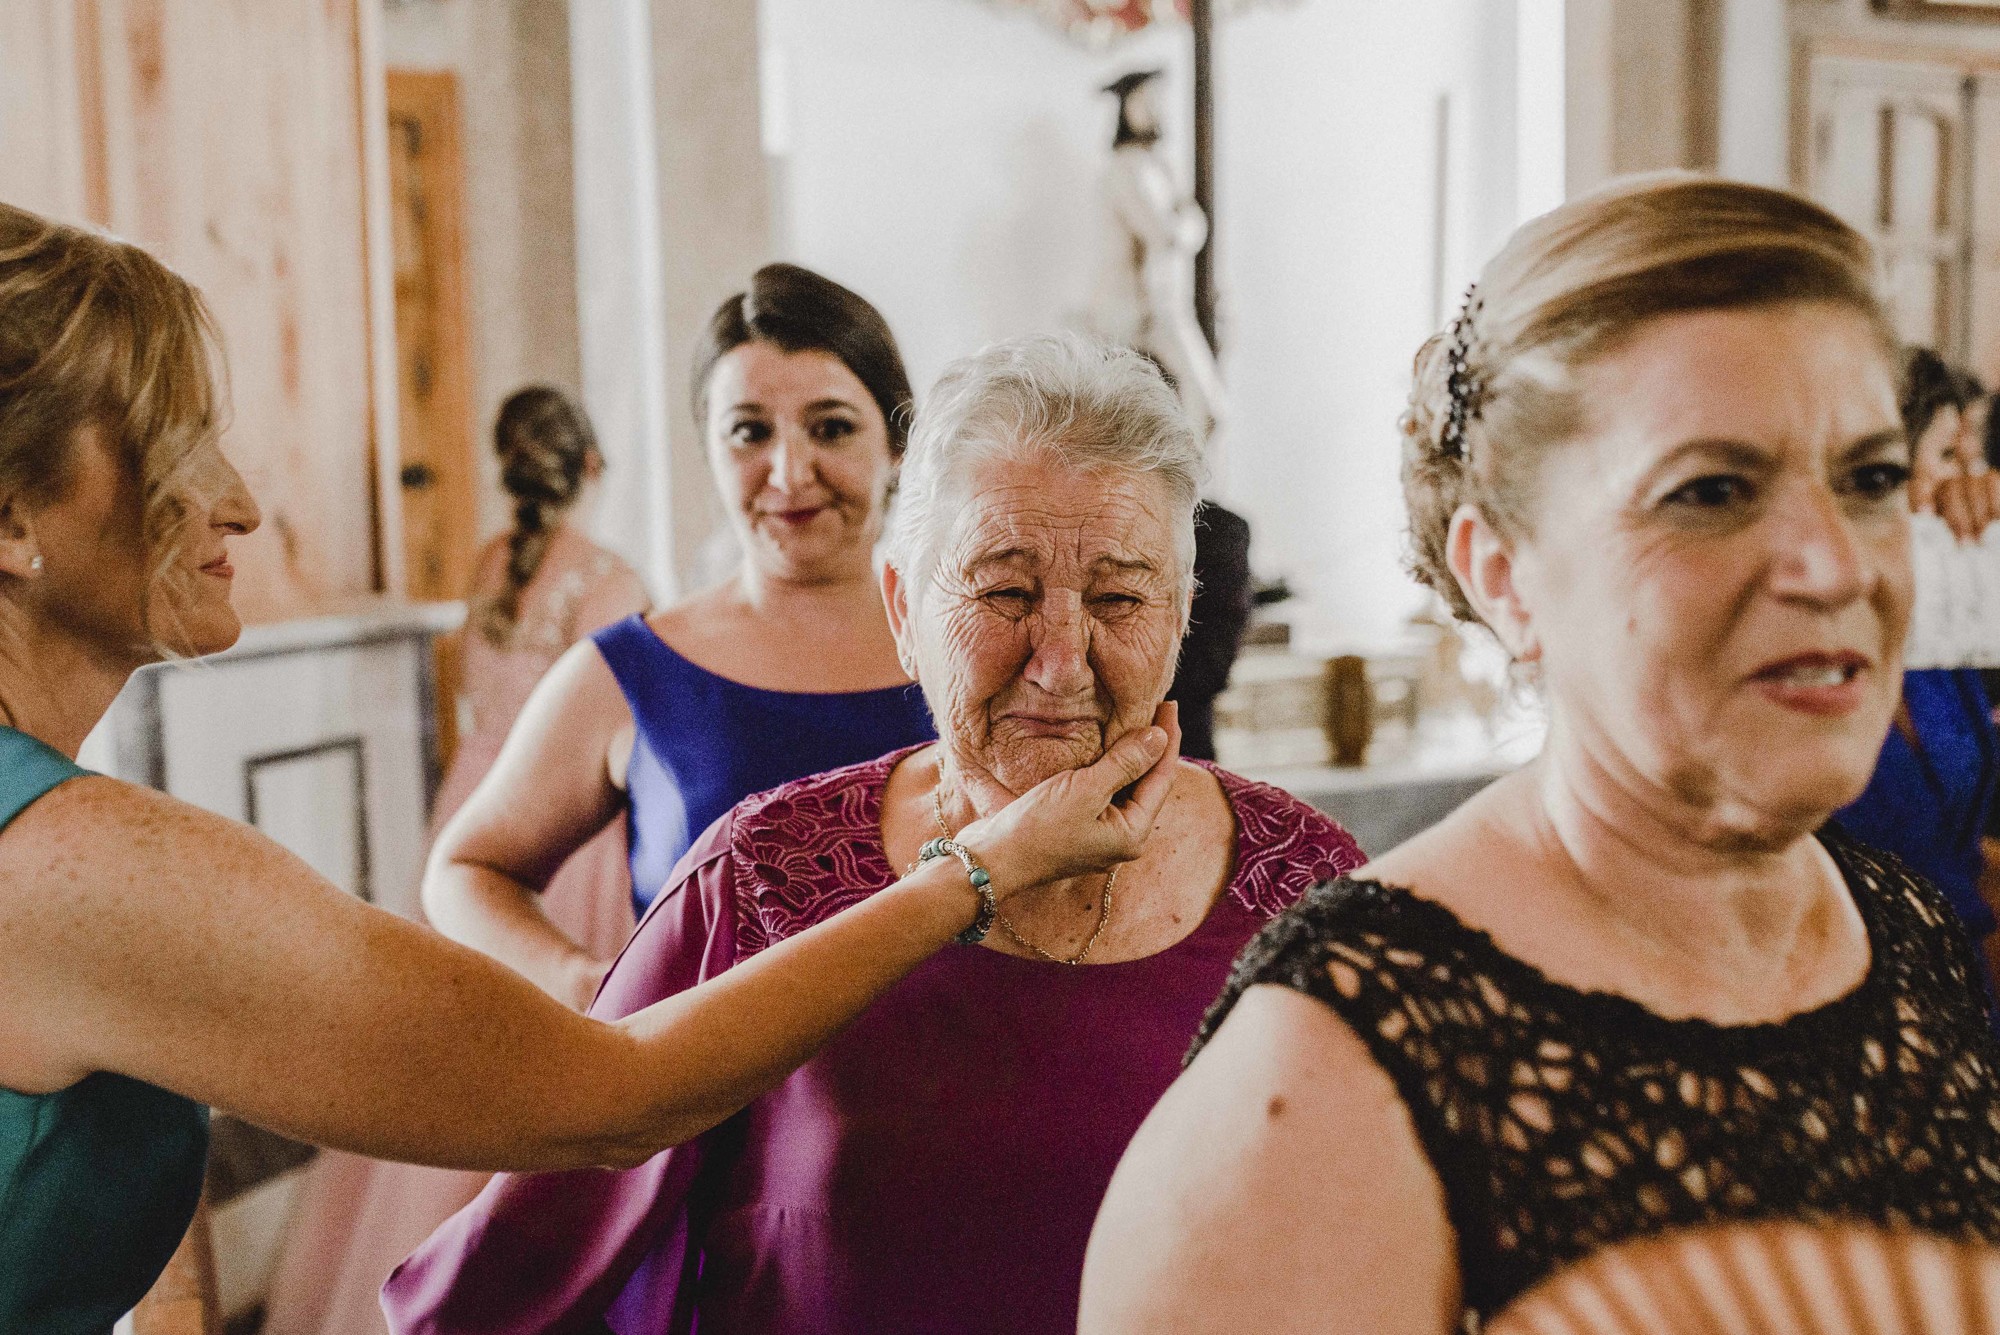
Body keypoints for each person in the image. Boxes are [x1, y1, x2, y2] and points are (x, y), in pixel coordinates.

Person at [0, 206, 1175, 1335]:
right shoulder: (72, 867)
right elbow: (615, 1092)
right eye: (174, 442)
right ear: (13, 518)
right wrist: (967, 873)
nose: (245, 503)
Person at [1079, 175, 2000, 1335]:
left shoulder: (1903, 934)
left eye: (1867, 479)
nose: (1831, 564)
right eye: (1708, 491)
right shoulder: (1323, 1080)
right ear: (1502, 575)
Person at [381, 334, 1364, 1335]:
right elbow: (483, 1291)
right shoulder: (758, 879)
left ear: (1182, 614)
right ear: (904, 607)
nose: (1060, 661)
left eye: (1117, 598)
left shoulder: (1306, 889)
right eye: (1004, 591)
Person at [419, 264, 938, 1012]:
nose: (790, 472)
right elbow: (462, 870)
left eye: (830, 427)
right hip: (715, 1107)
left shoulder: (972, 648)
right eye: (749, 432)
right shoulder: (635, 670)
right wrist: (581, 980)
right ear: (709, 450)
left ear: (896, 445)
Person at [261, 387, 649, 1335]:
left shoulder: (488, 567)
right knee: (561, 1039)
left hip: (473, 802)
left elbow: (474, 697)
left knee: (442, 1030)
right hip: (568, 822)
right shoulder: (613, 581)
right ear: (591, 467)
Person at [1834, 348, 2000, 1009]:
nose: (1970, 479)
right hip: (1890, 992)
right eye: (1947, 458)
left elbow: (1966, 848)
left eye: (1973, 457)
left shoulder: (1943, 637)